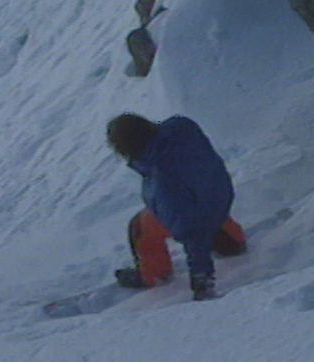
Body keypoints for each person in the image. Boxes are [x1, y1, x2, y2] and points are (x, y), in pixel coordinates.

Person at [106, 113, 247, 300]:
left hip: (193, 212)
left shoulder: (162, 182)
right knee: (199, 204)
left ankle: (155, 273)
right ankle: (231, 242)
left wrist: (201, 281)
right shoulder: (182, 126)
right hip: (218, 198)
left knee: (139, 227)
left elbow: (190, 233)